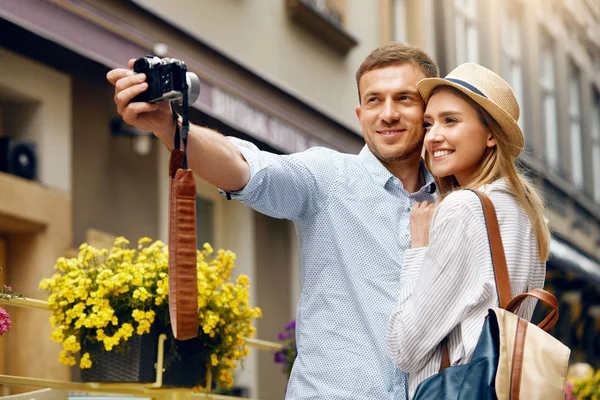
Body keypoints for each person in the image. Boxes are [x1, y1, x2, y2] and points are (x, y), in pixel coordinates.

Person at [108, 42, 439, 400]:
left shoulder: (456, 203)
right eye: (374, 100)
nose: (387, 114)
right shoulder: (326, 178)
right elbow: (243, 169)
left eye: (404, 98)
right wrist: (171, 128)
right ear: (360, 115)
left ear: (428, 113)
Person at [385, 63, 549, 398]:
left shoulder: (462, 209)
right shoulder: (529, 215)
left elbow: (405, 347)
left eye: (451, 121)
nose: (433, 137)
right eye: (429, 123)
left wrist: (418, 249)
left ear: (491, 134)